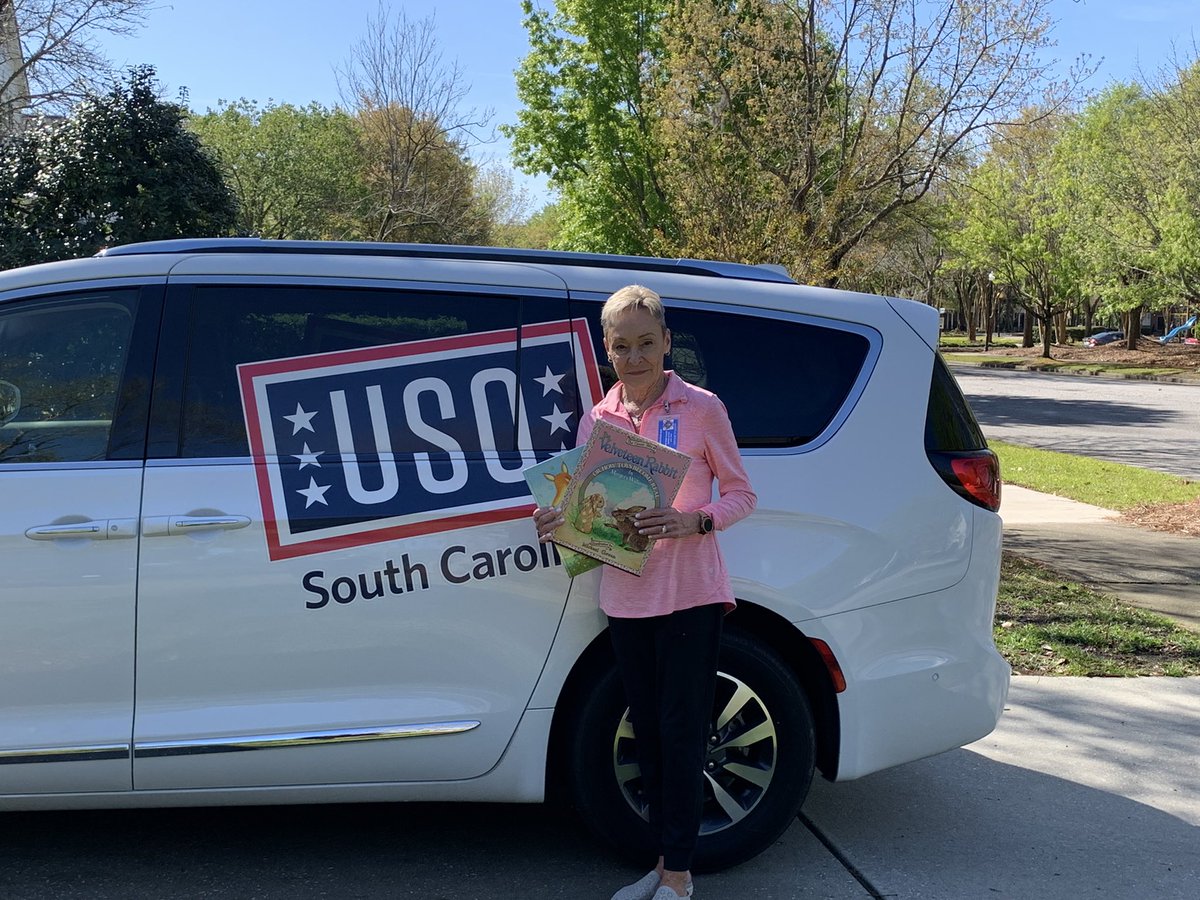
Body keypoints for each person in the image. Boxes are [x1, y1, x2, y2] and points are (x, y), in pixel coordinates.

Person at [533, 285, 757, 900]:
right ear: (607, 350)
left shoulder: (702, 407)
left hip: (692, 594)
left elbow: (742, 494)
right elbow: (587, 513)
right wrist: (558, 520)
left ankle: (680, 879)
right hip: (627, 598)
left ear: (666, 343)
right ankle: (662, 868)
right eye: (622, 346)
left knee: (684, 734)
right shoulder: (598, 418)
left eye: (646, 344)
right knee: (649, 737)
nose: (634, 358)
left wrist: (696, 520)